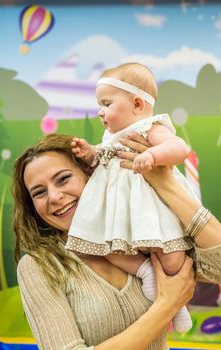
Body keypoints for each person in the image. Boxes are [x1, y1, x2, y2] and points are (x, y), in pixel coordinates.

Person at [13, 133, 221, 350]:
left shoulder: (139, 234)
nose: (54, 196)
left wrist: (167, 185)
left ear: (91, 175)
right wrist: (167, 305)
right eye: (39, 192)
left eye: (63, 179)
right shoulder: (39, 266)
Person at [66, 62, 196, 332]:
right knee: (104, 247)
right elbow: (102, 157)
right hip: (118, 211)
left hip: (151, 206)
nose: (100, 112)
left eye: (106, 103)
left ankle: (177, 304)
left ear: (137, 104)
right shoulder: (111, 136)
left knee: (172, 258)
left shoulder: (151, 127)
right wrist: (89, 152)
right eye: (100, 105)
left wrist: (152, 155)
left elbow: (179, 148)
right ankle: (144, 270)